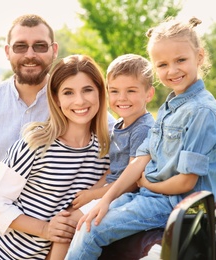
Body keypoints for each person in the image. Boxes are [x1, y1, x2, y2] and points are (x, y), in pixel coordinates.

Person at [0, 14, 116, 253]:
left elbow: (119, 150)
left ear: (53, 50)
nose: (30, 54)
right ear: (8, 52)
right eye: (21, 46)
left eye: (39, 46)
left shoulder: (75, 104)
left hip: (45, 250)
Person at [64, 17, 216, 259]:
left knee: (92, 230)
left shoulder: (201, 112)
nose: (172, 70)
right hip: (148, 197)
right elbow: (139, 161)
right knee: (87, 217)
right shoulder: (170, 106)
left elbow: (186, 183)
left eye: (181, 60)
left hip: (175, 205)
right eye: (162, 64)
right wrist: (106, 199)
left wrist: (147, 184)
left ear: (199, 57)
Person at [0, 54, 110, 259]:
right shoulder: (36, 142)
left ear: (100, 94)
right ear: (57, 99)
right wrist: (45, 229)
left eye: (88, 90)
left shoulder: (105, 153)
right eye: (68, 92)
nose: (80, 101)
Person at [47, 53, 155, 260]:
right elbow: (112, 170)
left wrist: (92, 196)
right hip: (111, 191)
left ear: (148, 94)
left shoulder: (142, 129)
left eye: (131, 91)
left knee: (68, 225)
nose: (121, 98)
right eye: (114, 91)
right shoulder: (119, 125)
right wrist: (91, 190)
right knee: (64, 219)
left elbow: (132, 181)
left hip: (125, 195)